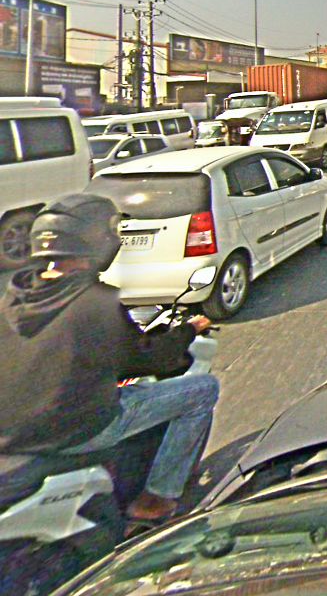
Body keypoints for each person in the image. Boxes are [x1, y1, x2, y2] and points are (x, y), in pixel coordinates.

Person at [0, 195, 220, 526]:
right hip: (75, 429)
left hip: (11, 431)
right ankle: (157, 499)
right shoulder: (97, 302)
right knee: (203, 390)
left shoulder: (12, 297)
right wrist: (188, 330)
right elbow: (150, 361)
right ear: (98, 242)